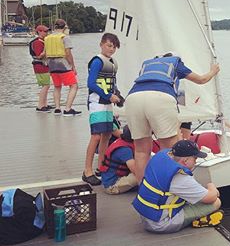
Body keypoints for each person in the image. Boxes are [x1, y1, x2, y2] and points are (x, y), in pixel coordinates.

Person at [125, 53, 220, 181]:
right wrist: (213, 71)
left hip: (133, 98)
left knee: (141, 151)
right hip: (160, 97)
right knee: (170, 149)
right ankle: (168, 188)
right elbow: (201, 80)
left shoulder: (147, 65)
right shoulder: (176, 64)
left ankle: (143, 189)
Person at [132, 140, 223, 233]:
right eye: (195, 158)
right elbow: (211, 198)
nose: (196, 161)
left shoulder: (160, 158)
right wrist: (211, 186)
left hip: (147, 216)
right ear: (185, 160)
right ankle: (197, 220)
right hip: (161, 223)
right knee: (216, 202)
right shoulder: (180, 177)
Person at [82, 33, 123, 186]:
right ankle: (87, 171)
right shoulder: (97, 61)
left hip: (108, 103)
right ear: (101, 44)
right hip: (97, 102)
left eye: (114, 47)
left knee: (106, 134)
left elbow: (113, 83)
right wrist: (107, 95)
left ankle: (101, 166)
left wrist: (117, 95)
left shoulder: (113, 63)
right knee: (96, 137)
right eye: (109, 45)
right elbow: (91, 83)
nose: (111, 49)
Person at [99, 126, 160, 195]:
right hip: (112, 185)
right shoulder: (124, 150)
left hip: (117, 177)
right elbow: (135, 170)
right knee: (142, 174)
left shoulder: (123, 142)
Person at [44, 18, 81, 116]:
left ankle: (57, 108)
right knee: (74, 86)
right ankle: (67, 109)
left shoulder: (47, 38)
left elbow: (45, 53)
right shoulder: (64, 37)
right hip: (63, 64)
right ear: (64, 27)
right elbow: (68, 53)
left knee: (57, 86)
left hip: (51, 65)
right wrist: (73, 66)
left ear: (55, 26)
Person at [29, 25, 52, 112]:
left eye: (47, 31)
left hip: (42, 65)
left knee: (45, 85)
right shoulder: (38, 42)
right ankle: (40, 106)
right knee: (46, 85)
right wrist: (47, 51)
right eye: (45, 31)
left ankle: (44, 104)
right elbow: (39, 56)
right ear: (39, 31)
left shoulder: (41, 41)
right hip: (40, 65)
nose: (46, 33)